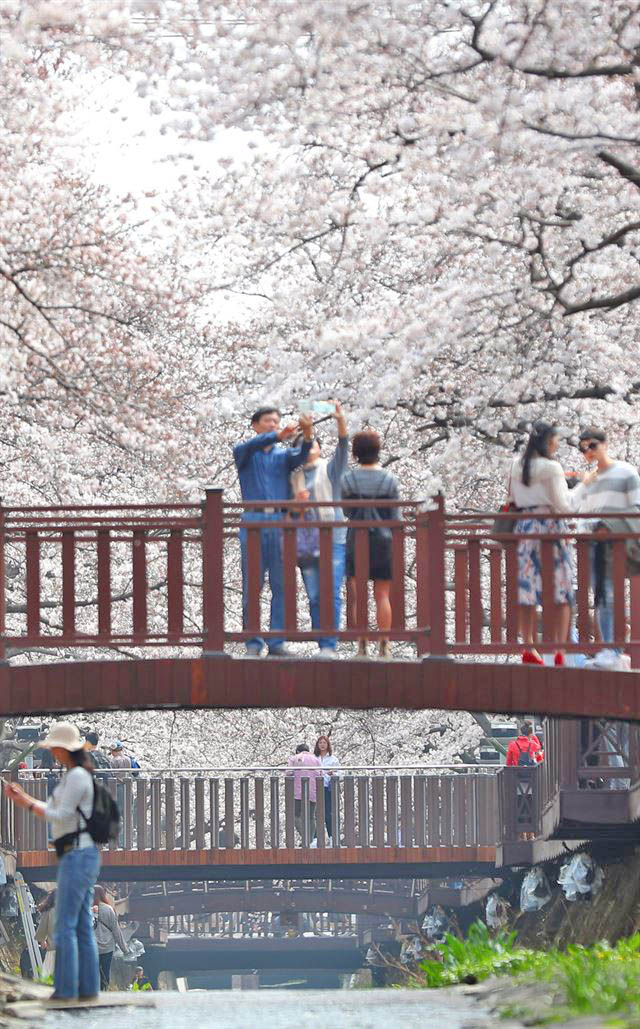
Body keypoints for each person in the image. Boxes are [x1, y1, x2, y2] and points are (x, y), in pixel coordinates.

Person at [3, 721, 101, 1001]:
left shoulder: (76, 777)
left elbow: (60, 814)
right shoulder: (79, 774)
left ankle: (67, 989)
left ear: (62, 748)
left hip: (76, 855)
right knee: (80, 924)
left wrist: (26, 801)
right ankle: (88, 988)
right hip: (83, 853)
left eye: (54, 748)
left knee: (68, 924)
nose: (53, 754)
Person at [509, 421, 596, 665]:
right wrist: (584, 485)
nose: (558, 444)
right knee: (563, 589)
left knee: (526, 588)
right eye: (556, 440)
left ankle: (527, 646)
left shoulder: (516, 465)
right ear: (547, 441)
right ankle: (559, 649)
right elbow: (565, 505)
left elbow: (513, 498)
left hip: (525, 528)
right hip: (550, 529)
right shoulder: (551, 467)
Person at [234, 406, 314, 657]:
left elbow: (302, 455)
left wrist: (308, 433)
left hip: (279, 524)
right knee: (253, 586)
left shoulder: (282, 456)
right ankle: (253, 641)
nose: (273, 425)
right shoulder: (244, 452)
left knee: (281, 585)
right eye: (268, 421)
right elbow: (256, 444)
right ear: (255, 425)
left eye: (276, 422)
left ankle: (277, 641)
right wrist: (277, 435)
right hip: (254, 521)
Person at [290, 402, 349, 656]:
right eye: (305, 445)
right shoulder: (294, 475)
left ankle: (329, 644)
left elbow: (344, 449)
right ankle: (322, 638)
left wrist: (341, 422)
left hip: (334, 537)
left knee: (331, 589)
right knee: (314, 594)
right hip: (306, 539)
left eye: (314, 443)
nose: (311, 447)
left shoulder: (330, 469)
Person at [576, 427, 640, 652]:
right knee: (602, 596)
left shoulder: (626, 472)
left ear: (605, 444)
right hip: (592, 543)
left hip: (617, 541)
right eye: (583, 448)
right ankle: (608, 648)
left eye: (592, 445)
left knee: (613, 595)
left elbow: (636, 507)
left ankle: (615, 648)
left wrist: (612, 526)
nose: (588, 452)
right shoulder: (590, 479)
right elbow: (577, 509)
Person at [341, 430, 400, 659]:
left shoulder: (348, 479)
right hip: (383, 539)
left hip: (357, 537)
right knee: (382, 595)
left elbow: (346, 510)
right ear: (378, 451)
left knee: (359, 595)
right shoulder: (389, 479)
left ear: (355, 453)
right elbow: (394, 515)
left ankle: (362, 643)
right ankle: (385, 644)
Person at [506, 722, 542, 842]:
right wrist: (534, 737)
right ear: (530, 733)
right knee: (532, 805)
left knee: (518, 805)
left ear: (520, 732)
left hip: (517, 780)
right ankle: (532, 834)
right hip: (531, 780)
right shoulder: (533, 745)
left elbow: (508, 763)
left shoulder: (512, 745)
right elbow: (540, 756)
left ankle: (521, 834)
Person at [93, 885, 129, 990]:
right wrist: (124, 949)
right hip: (107, 948)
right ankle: (103, 991)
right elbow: (116, 931)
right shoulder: (108, 909)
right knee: (105, 970)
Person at [286, 744, 322, 841]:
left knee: (296, 815)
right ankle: (310, 840)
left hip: (298, 791)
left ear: (297, 751)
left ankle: (305, 836)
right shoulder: (316, 759)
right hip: (312, 790)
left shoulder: (294, 758)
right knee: (311, 816)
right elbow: (320, 773)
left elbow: (288, 772)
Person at [314, 735, 339, 837]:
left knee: (328, 813)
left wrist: (333, 774)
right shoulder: (314, 758)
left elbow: (340, 773)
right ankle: (315, 838)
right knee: (315, 813)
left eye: (324, 743)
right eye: (320, 743)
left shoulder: (333, 759)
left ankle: (331, 836)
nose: (322, 745)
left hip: (327, 788)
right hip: (315, 788)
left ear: (328, 745)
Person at [36, 890, 57, 979]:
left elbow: (41, 931)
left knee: (48, 979)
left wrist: (42, 941)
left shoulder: (48, 912)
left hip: (53, 951)